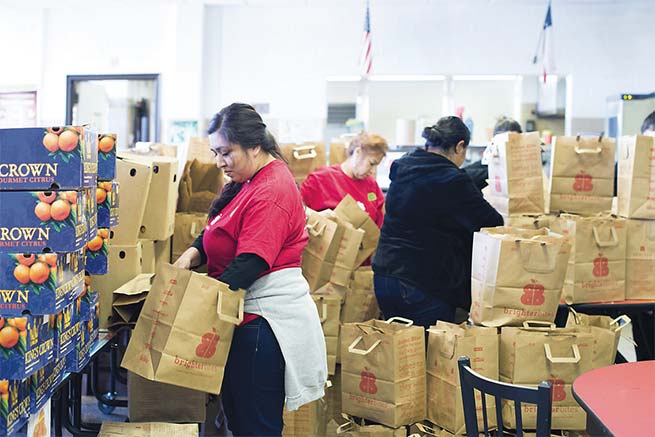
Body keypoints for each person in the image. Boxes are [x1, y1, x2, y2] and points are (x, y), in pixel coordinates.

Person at [173, 103, 327, 436]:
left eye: (226, 152)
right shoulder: (247, 180)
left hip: (261, 325)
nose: (219, 162)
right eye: (215, 152)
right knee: (241, 420)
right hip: (242, 317)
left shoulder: (271, 190)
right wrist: (190, 256)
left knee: (255, 426)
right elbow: (220, 227)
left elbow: (250, 263)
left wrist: (194, 307)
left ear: (254, 146)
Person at [372, 116, 504, 329]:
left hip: (385, 278)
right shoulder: (452, 179)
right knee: (431, 349)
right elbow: (492, 222)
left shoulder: (404, 166)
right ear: (460, 146)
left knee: (399, 347)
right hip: (421, 284)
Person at [300, 132, 388, 228]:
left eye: (376, 165)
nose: (373, 171)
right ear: (358, 152)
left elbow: (381, 221)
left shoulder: (372, 186)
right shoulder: (320, 180)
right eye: (371, 163)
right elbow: (297, 210)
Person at [463, 117, 522, 191]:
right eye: (503, 144)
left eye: (513, 143)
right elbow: (461, 175)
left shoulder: (526, 166)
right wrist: (495, 171)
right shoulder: (485, 166)